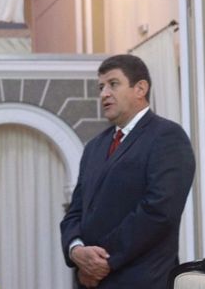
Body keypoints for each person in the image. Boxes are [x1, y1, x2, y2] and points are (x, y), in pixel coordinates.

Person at [60, 54, 195, 288]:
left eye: (113, 84)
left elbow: (159, 211)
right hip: (90, 280)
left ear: (140, 88)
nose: (104, 94)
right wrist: (76, 250)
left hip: (141, 279)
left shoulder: (167, 137)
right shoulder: (94, 147)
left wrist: (102, 262)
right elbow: (76, 211)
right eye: (101, 87)